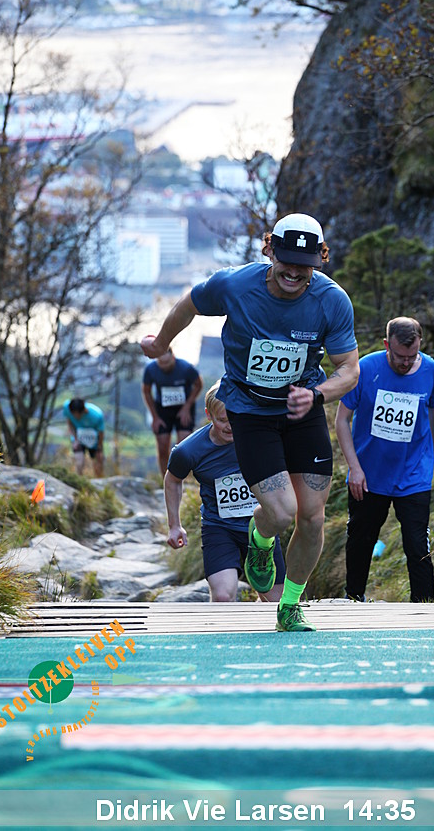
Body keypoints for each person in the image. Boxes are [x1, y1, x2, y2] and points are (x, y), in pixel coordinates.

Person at [141, 213, 360, 632]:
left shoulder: (332, 300)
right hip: (251, 411)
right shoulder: (234, 285)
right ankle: (260, 541)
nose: (294, 272)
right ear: (269, 248)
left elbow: (349, 369)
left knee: (312, 518)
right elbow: (189, 304)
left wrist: (316, 394)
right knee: (281, 512)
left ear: (321, 257)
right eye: (287, 261)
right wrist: (161, 343)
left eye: (305, 264)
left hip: (302, 408)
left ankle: (289, 607)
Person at [335, 316, 434, 603]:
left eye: (412, 355)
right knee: (361, 539)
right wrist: (354, 468)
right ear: (387, 345)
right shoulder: (365, 368)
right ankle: (354, 598)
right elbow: (341, 420)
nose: (406, 362)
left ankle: (424, 607)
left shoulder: (430, 368)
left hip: (414, 473)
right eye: (400, 356)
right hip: (369, 474)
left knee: (417, 544)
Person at [164, 381, 285, 602]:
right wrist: (174, 525)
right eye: (222, 420)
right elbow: (172, 480)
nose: (230, 427)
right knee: (222, 597)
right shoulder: (188, 451)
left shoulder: (261, 437)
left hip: (261, 528)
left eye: (235, 419)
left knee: (275, 602)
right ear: (208, 415)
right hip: (219, 527)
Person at [142, 348, 203, 478]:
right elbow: (146, 391)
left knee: (183, 447)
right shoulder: (151, 369)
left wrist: (187, 407)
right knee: (162, 446)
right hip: (163, 409)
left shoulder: (186, 368)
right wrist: (155, 417)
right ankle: (166, 480)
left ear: (173, 358)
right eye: (161, 364)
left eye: (167, 363)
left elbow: (198, 385)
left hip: (184, 408)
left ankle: (182, 479)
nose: (164, 367)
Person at [63, 397, 105, 478]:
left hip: (94, 441)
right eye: (73, 415)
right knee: (79, 461)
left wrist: (99, 448)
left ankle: (99, 481)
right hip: (78, 438)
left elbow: (101, 432)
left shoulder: (97, 415)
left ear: (83, 411)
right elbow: (69, 422)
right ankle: (78, 480)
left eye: (77, 415)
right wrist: (75, 439)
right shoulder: (67, 407)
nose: (75, 417)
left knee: (98, 462)